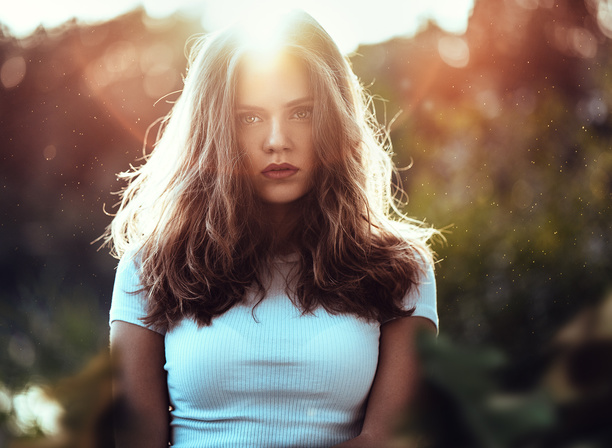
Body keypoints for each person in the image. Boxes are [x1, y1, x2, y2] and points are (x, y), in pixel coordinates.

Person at [105, 8, 439, 448]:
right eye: (250, 117)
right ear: (217, 129)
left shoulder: (401, 269)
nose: (277, 139)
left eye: (301, 113)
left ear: (334, 119)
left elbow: (394, 441)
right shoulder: (150, 267)